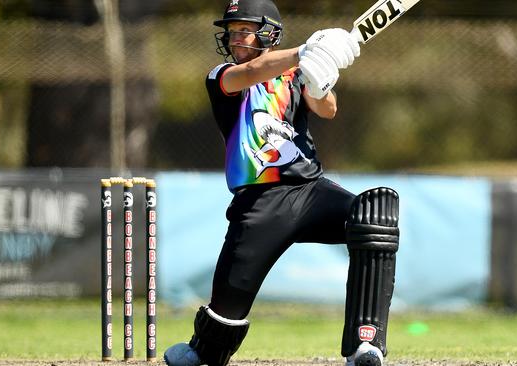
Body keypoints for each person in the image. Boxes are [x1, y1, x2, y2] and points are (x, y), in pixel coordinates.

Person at [164, 1, 401, 366]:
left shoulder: (295, 75)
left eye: (245, 29)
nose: (235, 38)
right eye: (232, 31)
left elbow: (328, 110)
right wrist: (307, 51)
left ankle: (364, 345)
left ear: (268, 33)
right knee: (214, 344)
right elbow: (256, 70)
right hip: (259, 203)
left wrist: (319, 82)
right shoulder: (222, 75)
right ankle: (203, 346)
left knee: (374, 212)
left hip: (310, 190)